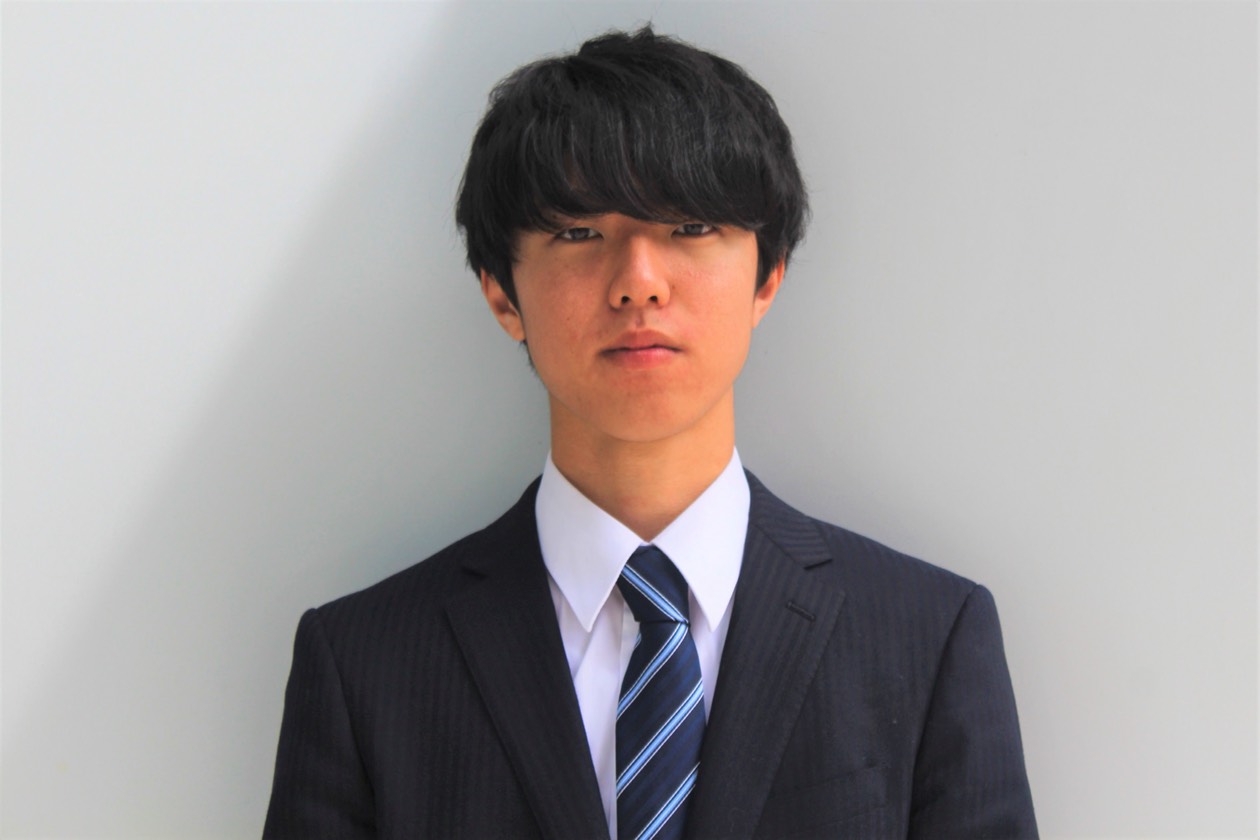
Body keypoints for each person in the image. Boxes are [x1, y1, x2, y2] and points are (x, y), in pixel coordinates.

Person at [264, 27, 1037, 839]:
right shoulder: (364, 665)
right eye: (578, 232)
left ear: (768, 276)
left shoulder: (930, 636)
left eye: (690, 228)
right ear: (500, 294)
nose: (639, 282)